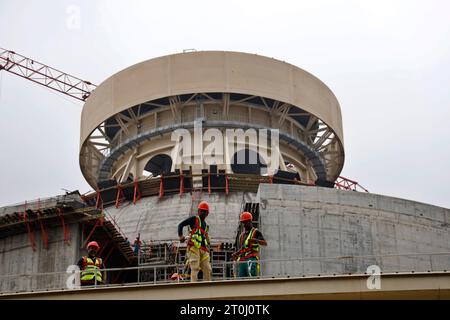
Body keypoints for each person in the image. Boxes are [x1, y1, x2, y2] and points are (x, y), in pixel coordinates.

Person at [177, 200, 212, 282]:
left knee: (207, 269)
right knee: (195, 268)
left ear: (207, 213)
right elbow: (181, 225)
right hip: (194, 248)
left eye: (205, 211)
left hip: (203, 250)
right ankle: (194, 286)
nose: (203, 213)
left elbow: (205, 236)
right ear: (198, 211)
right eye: (201, 211)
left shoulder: (206, 225)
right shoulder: (194, 219)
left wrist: (209, 243)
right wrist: (180, 236)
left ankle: (208, 287)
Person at [232, 212, 267, 278]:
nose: (244, 225)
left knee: (252, 277)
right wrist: (236, 254)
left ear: (250, 221)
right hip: (242, 260)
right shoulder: (242, 235)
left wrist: (255, 240)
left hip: (251, 258)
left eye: (245, 222)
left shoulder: (256, 232)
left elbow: (264, 243)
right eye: (243, 223)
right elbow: (243, 248)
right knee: (240, 279)